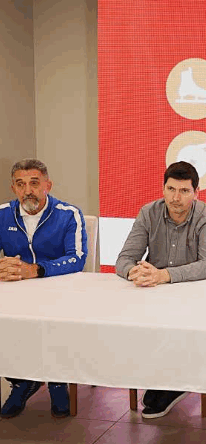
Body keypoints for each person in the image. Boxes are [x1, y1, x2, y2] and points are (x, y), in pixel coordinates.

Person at [115, 161, 206, 418]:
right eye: (171, 189)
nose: (176, 197)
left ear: (196, 193)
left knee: (180, 324)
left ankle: (177, 381)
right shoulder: (148, 213)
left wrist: (164, 275)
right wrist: (134, 272)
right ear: (163, 189)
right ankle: (159, 378)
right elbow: (124, 259)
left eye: (184, 191)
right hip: (154, 292)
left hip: (193, 294)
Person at [0, 158, 87, 419]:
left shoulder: (69, 214)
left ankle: (57, 382)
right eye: (21, 184)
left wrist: (36, 270)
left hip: (59, 293)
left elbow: (77, 258)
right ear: (13, 188)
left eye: (34, 183)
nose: (28, 190)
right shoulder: (2, 214)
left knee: (56, 322)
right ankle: (22, 381)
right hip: (15, 292)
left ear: (48, 185)